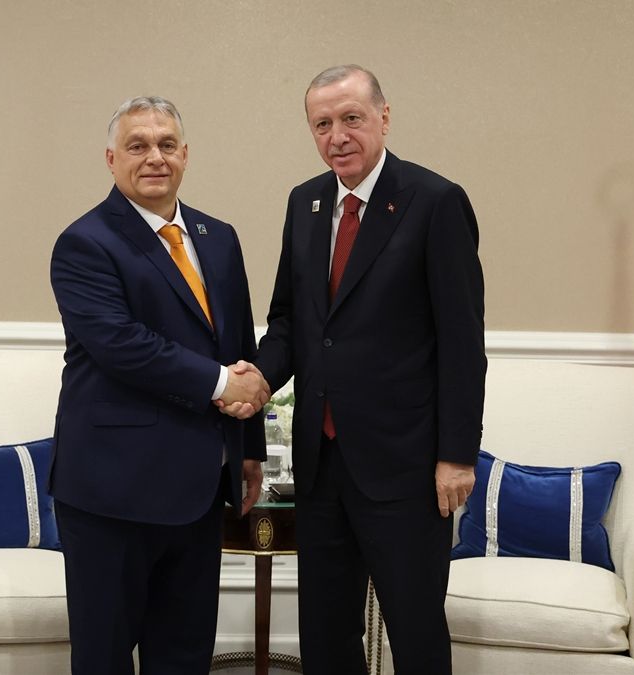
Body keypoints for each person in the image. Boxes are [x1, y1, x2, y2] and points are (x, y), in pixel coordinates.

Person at [241, 65, 487, 674]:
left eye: (351, 118)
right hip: (320, 466)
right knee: (326, 636)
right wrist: (258, 378)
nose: (338, 136)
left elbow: (462, 342)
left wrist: (457, 455)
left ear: (384, 116)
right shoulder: (304, 202)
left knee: (415, 632)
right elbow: (290, 320)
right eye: (322, 124)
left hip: (406, 467)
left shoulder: (435, 202)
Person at [48, 95, 269, 674]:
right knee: (104, 657)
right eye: (138, 145)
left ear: (185, 154)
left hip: (199, 488)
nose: (155, 157)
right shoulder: (85, 242)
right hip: (111, 492)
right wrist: (221, 383)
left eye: (167, 144)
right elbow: (121, 344)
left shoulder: (218, 237)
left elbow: (238, 342)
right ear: (111, 158)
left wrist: (248, 450)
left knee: (184, 655)